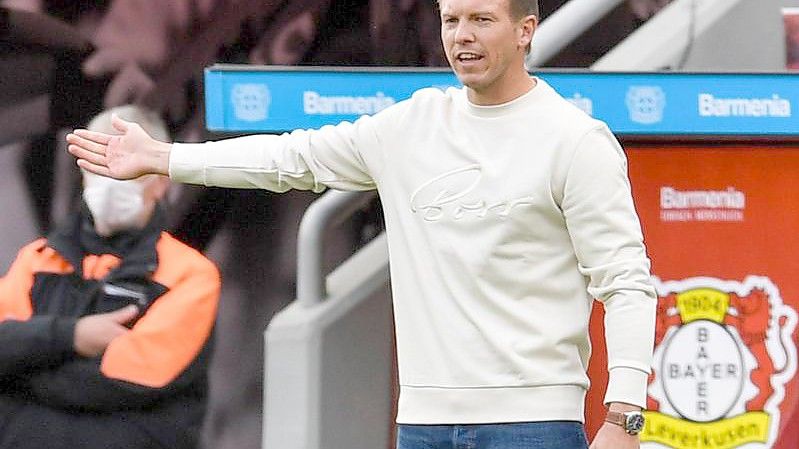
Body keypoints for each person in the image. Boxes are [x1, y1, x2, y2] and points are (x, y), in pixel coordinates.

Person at [66, 0, 656, 448]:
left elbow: (626, 282)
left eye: (481, 20)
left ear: (526, 31)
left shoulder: (575, 140)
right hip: (423, 422)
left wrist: (625, 415)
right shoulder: (410, 126)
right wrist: (165, 158)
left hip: (535, 423)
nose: (461, 37)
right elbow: (288, 159)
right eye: (451, 21)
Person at [1, 105, 220, 449]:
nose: (110, 181)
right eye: (98, 166)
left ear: (160, 184)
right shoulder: (37, 259)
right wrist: (73, 337)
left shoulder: (191, 274)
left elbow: (130, 379)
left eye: (127, 169)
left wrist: (21, 371)